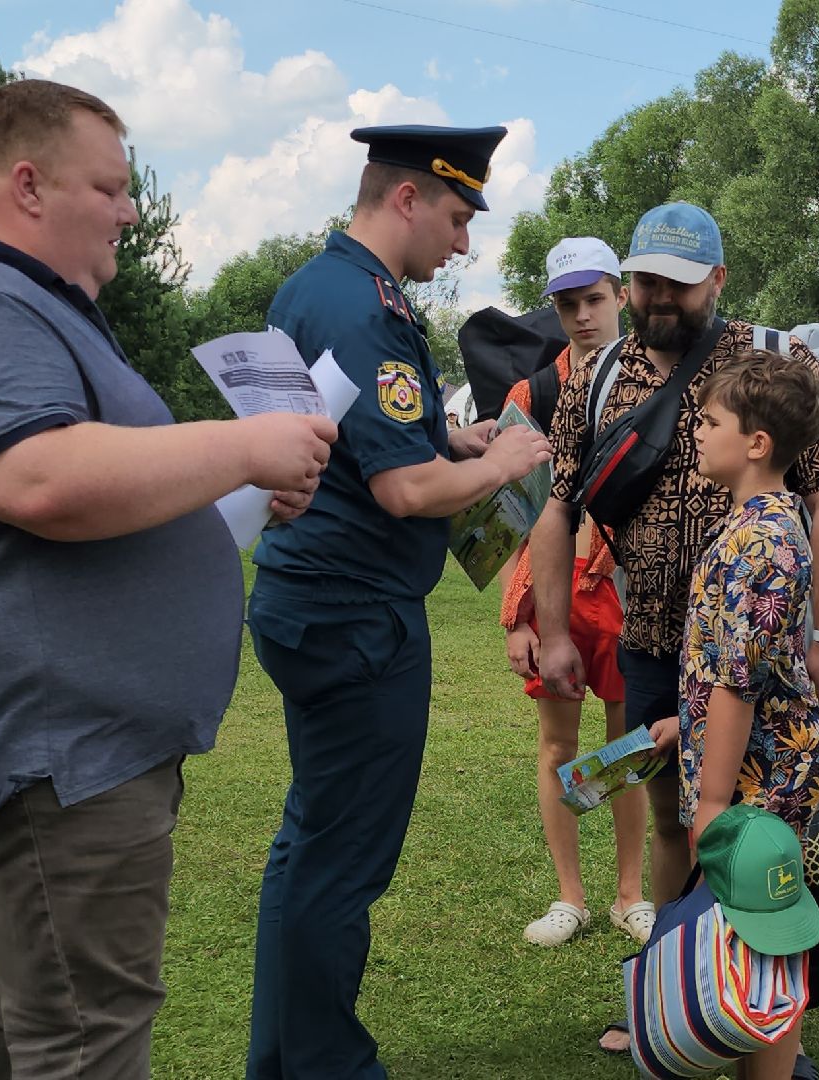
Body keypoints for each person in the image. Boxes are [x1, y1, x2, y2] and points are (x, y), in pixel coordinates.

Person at [0, 79, 337, 1079]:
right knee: (84, 1034)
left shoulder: (16, 301)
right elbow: (36, 478)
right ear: (29, 186)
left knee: (39, 998)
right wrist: (245, 446)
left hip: (66, 754)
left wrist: (225, 497)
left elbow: (89, 485)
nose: (131, 211)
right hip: (53, 763)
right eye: (111, 188)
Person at [242, 124, 552, 1080]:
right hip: (356, 615)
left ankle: (281, 1059)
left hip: (304, 596)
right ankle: (329, 1065)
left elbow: (356, 438)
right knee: (342, 864)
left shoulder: (313, 287)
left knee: (308, 846)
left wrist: (449, 443)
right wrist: (502, 459)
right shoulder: (371, 310)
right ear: (407, 198)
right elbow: (404, 490)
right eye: (456, 217)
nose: (462, 242)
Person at [526, 201, 819, 977]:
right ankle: (677, 982)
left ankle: (761, 989)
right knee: (675, 817)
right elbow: (557, 507)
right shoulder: (596, 375)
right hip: (651, 642)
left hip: (762, 652)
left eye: (678, 283)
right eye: (646, 282)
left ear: (718, 278)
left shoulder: (778, 363)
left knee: (760, 820)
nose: (660, 299)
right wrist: (554, 632)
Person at [659, 350, 819, 1079]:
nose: (696, 432)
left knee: (763, 939)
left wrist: (710, 803)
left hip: (763, 774)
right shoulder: (751, 523)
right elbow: (737, 659)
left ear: (757, 443)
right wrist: (687, 721)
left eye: (710, 422)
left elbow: (739, 683)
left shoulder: (762, 540)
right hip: (744, 756)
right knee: (741, 932)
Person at [499, 237, 649, 947]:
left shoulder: (656, 382)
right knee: (558, 745)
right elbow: (510, 514)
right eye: (568, 304)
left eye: (594, 299)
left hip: (629, 590)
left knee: (628, 746)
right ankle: (570, 897)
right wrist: (515, 616)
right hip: (555, 597)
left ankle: (630, 894)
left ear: (621, 296)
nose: (583, 315)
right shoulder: (533, 395)